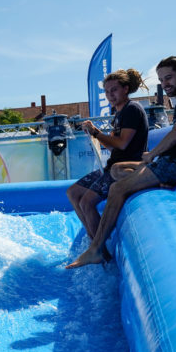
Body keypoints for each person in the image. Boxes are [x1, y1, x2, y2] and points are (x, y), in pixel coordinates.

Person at [66, 56, 176, 269]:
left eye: (169, 78)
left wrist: (152, 154)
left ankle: (96, 249)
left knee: (116, 189)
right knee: (116, 170)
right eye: (161, 80)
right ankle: (96, 247)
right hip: (171, 161)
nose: (165, 84)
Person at [67, 69, 148, 241]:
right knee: (73, 193)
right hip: (113, 165)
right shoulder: (119, 113)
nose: (110, 95)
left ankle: (100, 248)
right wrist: (94, 134)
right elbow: (113, 147)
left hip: (125, 168)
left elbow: (122, 143)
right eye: (107, 91)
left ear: (125, 89)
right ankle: (92, 240)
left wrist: (96, 132)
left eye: (114, 90)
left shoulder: (132, 109)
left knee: (86, 202)